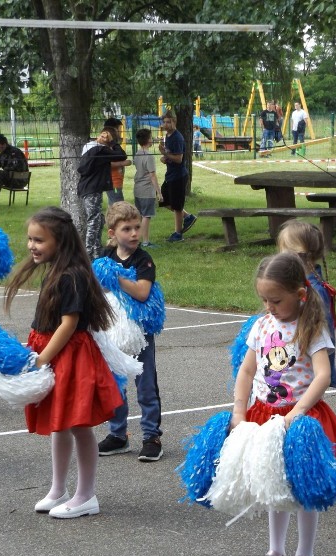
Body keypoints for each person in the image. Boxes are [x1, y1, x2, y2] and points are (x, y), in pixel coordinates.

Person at [232, 252, 336, 556]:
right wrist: (239, 410)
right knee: (273, 484)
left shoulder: (311, 327)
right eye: (264, 300)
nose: (269, 306)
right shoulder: (261, 326)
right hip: (263, 414)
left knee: (302, 487)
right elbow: (246, 369)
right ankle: (275, 552)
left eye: (276, 300)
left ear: (300, 295)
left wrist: (298, 412)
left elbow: (323, 375)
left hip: (299, 420)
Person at [4, 207, 123, 518]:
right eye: (30, 239)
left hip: (71, 356)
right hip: (57, 353)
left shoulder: (72, 276)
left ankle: (86, 495)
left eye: (39, 240)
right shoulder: (57, 270)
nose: (32, 245)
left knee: (78, 425)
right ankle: (58, 489)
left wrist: (42, 358)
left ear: (61, 241)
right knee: (60, 424)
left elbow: (69, 324)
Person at [97, 202, 164, 461]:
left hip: (139, 331)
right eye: (127, 229)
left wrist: (115, 279)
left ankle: (151, 436)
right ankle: (118, 434)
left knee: (146, 385)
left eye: (137, 227)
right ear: (113, 233)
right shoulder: (107, 257)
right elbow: (101, 289)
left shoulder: (143, 260)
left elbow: (142, 292)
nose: (135, 233)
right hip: (113, 329)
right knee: (116, 382)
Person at [276, 219, 336, 388]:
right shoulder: (303, 283)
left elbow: (319, 332)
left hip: (307, 364)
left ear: (294, 254)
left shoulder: (313, 290)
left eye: (282, 251)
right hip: (297, 361)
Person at [77, 125, 128, 259]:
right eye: (104, 136)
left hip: (90, 188)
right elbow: (121, 155)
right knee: (94, 220)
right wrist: (113, 142)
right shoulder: (100, 149)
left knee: (98, 219)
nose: (104, 137)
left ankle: (96, 250)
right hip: (91, 189)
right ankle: (88, 254)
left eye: (106, 136)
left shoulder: (89, 147)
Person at [158, 111, 197, 242]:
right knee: (163, 200)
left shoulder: (177, 137)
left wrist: (165, 154)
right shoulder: (167, 136)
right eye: (164, 122)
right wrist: (164, 157)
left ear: (174, 122)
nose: (166, 124)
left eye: (168, 122)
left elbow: (179, 158)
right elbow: (171, 155)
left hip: (179, 176)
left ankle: (178, 234)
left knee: (177, 206)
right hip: (170, 175)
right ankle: (188, 217)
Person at [132, 128, 162, 247]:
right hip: (146, 190)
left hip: (137, 189)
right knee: (146, 215)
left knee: (139, 215)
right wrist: (159, 192)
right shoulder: (149, 156)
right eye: (151, 137)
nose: (152, 139)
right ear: (147, 140)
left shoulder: (137, 153)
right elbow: (152, 175)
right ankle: (145, 241)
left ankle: (137, 240)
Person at [104, 117, 131, 206]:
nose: (120, 132)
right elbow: (105, 163)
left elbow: (122, 155)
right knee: (119, 207)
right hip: (113, 182)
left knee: (113, 206)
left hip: (116, 182)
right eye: (118, 130)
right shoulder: (107, 145)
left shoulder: (114, 145)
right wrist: (123, 163)